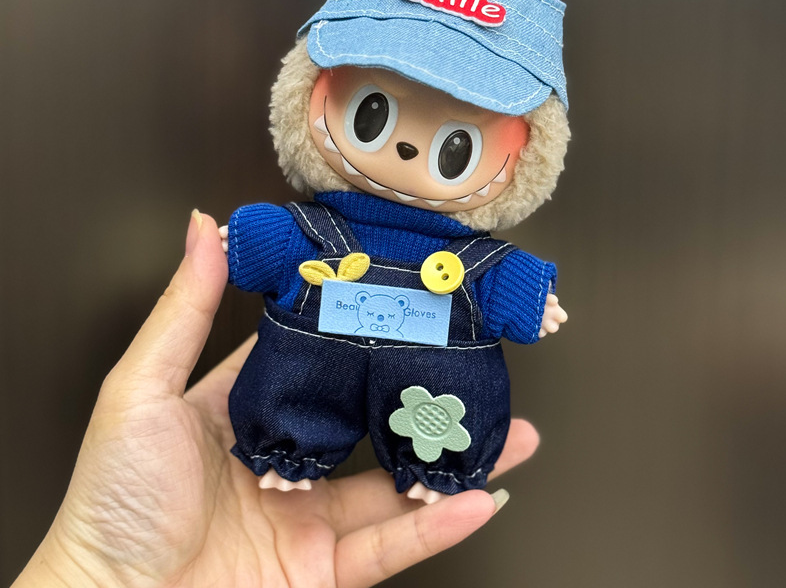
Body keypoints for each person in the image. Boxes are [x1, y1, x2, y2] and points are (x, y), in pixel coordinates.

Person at [13, 211, 539, 587]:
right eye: (371, 116)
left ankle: (438, 467)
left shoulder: (478, 260)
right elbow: (270, 243)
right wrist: (243, 242)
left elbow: (509, 286)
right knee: (298, 383)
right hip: (315, 368)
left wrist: (534, 302)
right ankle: (288, 451)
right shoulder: (313, 231)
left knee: (441, 415)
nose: (406, 149)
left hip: (432, 386)